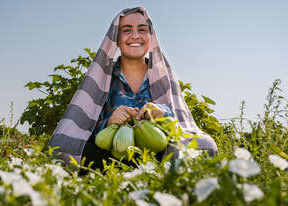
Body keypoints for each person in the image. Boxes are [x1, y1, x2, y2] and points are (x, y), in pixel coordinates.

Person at [48, 7, 217, 171]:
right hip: (110, 153)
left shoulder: (162, 74)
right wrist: (110, 121)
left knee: (205, 146)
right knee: (61, 146)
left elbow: (179, 121)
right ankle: (146, 174)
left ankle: (129, 172)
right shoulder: (104, 76)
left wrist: (160, 112)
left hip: (156, 153)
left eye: (142, 30)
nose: (135, 36)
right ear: (116, 37)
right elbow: (85, 125)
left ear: (150, 36)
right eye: (127, 30)